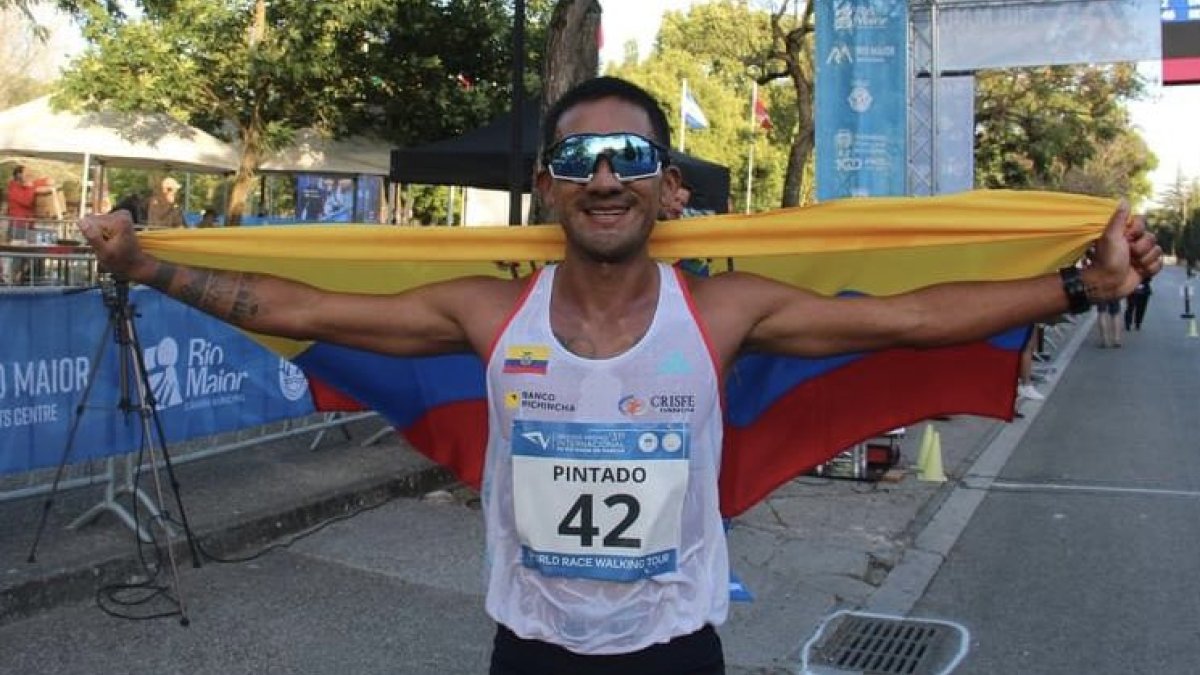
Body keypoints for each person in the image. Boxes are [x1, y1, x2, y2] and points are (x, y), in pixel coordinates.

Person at [78, 76, 1162, 674]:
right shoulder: (489, 311)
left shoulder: (725, 310)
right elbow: (303, 305)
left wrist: (1079, 287)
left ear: (669, 192)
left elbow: (913, 318)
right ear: (548, 186)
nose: (607, 178)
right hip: (530, 649)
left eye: (634, 159)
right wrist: (146, 264)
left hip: (674, 656)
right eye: (582, 161)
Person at [5, 165, 38, 241]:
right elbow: (27, 201)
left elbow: (47, 181)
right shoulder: (14, 188)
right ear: (19, 175)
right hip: (19, 225)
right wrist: (31, 188)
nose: (29, 175)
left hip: (27, 224)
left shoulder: (24, 187)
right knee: (18, 247)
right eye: (26, 173)